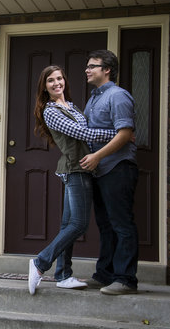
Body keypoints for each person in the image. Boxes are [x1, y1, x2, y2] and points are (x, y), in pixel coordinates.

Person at [28, 65, 117, 295]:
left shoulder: (72, 106)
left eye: (59, 78)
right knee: (78, 224)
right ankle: (40, 262)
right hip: (75, 169)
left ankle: (64, 275)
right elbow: (83, 134)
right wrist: (119, 134)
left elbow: (87, 130)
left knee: (68, 224)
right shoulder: (51, 111)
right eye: (50, 80)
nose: (57, 83)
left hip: (84, 168)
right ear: (44, 87)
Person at [79, 50, 139, 295]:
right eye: (87, 65)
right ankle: (104, 274)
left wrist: (97, 156)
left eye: (93, 66)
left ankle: (126, 280)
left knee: (121, 224)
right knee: (105, 225)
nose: (87, 69)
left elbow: (125, 134)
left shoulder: (118, 96)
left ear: (107, 70)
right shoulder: (93, 98)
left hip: (118, 167)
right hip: (100, 171)